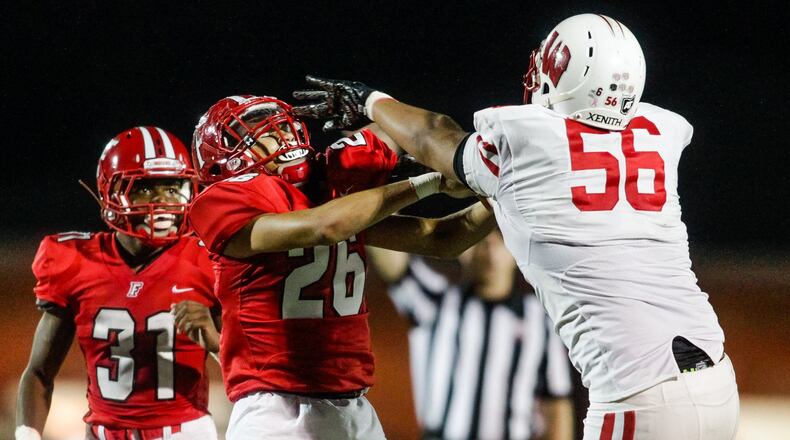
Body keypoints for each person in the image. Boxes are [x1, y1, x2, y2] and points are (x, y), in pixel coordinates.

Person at [292, 13, 739, 440]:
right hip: (714, 379)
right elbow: (459, 225)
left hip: (640, 394)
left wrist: (370, 99)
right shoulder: (657, 133)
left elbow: (435, 134)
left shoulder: (529, 145)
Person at [187, 95, 496, 439]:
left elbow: (443, 238)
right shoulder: (221, 202)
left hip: (354, 409)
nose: (281, 134)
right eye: (259, 130)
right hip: (276, 411)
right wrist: (430, 182)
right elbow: (323, 227)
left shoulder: (331, 192)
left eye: (279, 124)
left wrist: (498, 186)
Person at [16, 127, 222, 440]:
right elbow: (39, 372)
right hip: (102, 433)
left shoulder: (206, 260)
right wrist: (27, 435)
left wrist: (214, 340)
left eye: (173, 188)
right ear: (110, 191)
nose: (163, 202)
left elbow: (249, 372)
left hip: (184, 432)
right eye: (146, 189)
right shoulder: (75, 260)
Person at [368, 229, 573, 440]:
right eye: (481, 239)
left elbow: (557, 403)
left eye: (500, 239)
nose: (490, 249)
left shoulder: (539, 319)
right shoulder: (437, 303)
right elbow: (393, 264)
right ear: (463, 250)